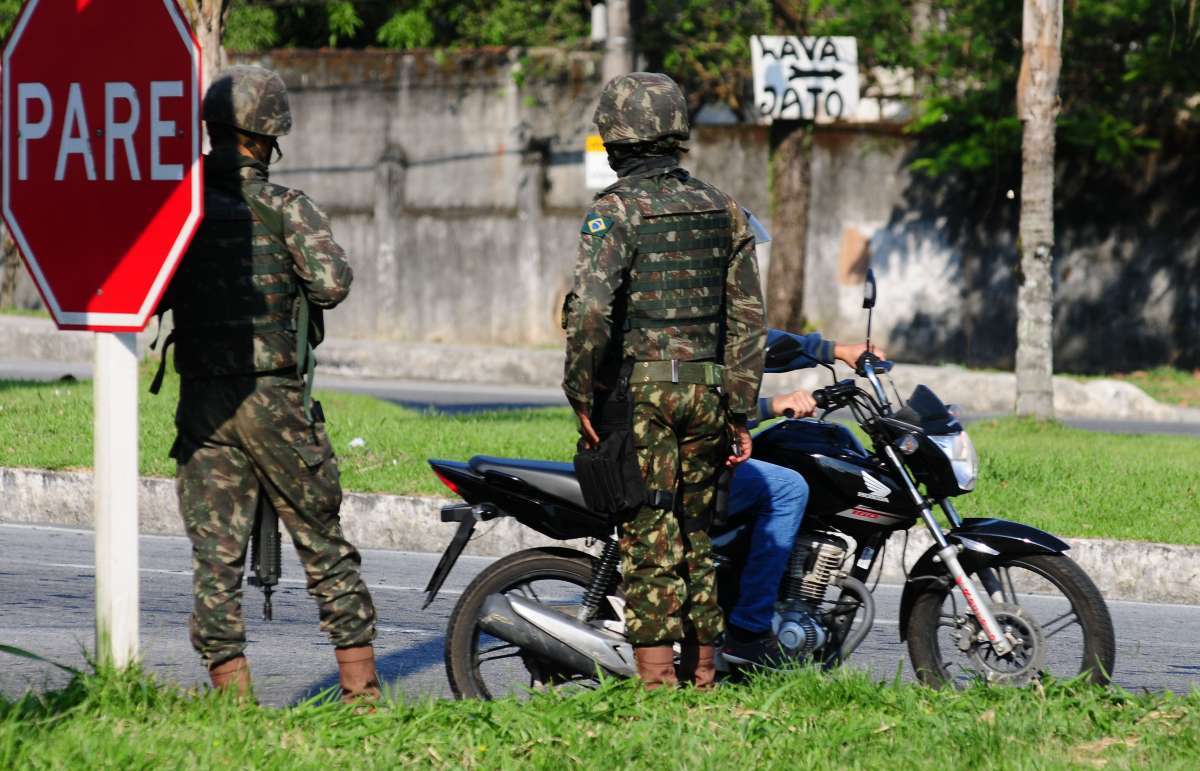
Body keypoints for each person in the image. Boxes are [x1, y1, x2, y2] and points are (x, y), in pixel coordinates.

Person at [154, 65, 379, 701]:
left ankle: (232, 704)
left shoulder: (176, 207)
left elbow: (147, 291)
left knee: (215, 559)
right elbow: (332, 285)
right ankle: (362, 696)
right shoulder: (285, 209)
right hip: (273, 400)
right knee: (323, 546)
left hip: (203, 403)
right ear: (268, 134)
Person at [562, 72, 766, 689]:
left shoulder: (616, 211)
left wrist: (579, 390)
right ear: (676, 135)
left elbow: (592, 312)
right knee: (697, 533)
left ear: (616, 140)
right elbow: (748, 319)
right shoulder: (724, 208)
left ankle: (656, 686)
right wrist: (740, 410)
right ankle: (703, 675)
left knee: (649, 532)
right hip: (707, 394)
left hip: (642, 396)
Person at [721, 336, 884, 668]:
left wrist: (838, 351)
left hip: (695, 444)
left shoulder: (704, 302)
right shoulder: (685, 317)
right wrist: (771, 406)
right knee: (788, 489)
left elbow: (753, 339)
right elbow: (695, 406)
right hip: (679, 453)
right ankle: (747, 632)